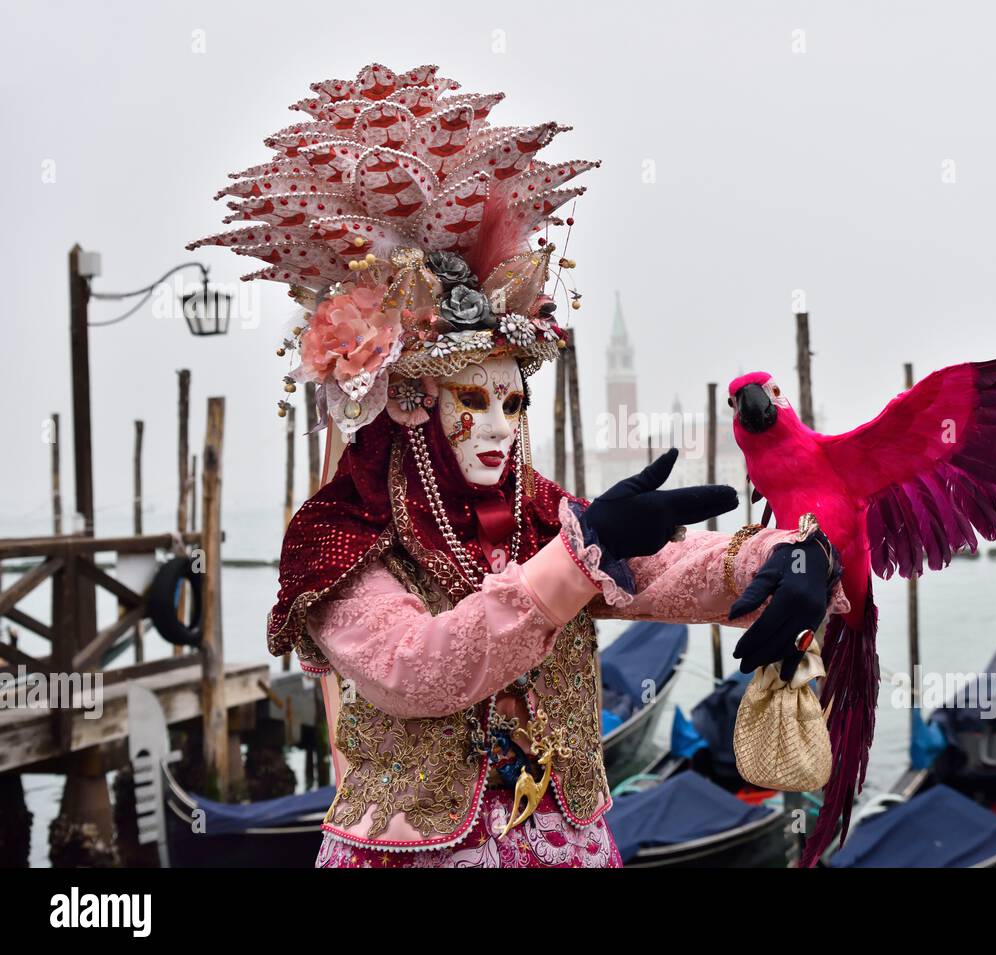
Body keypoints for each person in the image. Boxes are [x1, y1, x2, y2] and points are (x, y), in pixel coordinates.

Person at [190, 62, 846, 867]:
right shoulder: (339, 539)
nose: (500, 425)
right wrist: (577, 558)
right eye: (474, 399)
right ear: (408, 402)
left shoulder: (537, 516)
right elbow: (419, 668)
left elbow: (673, 568)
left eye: (514, 401)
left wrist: (785, 557)